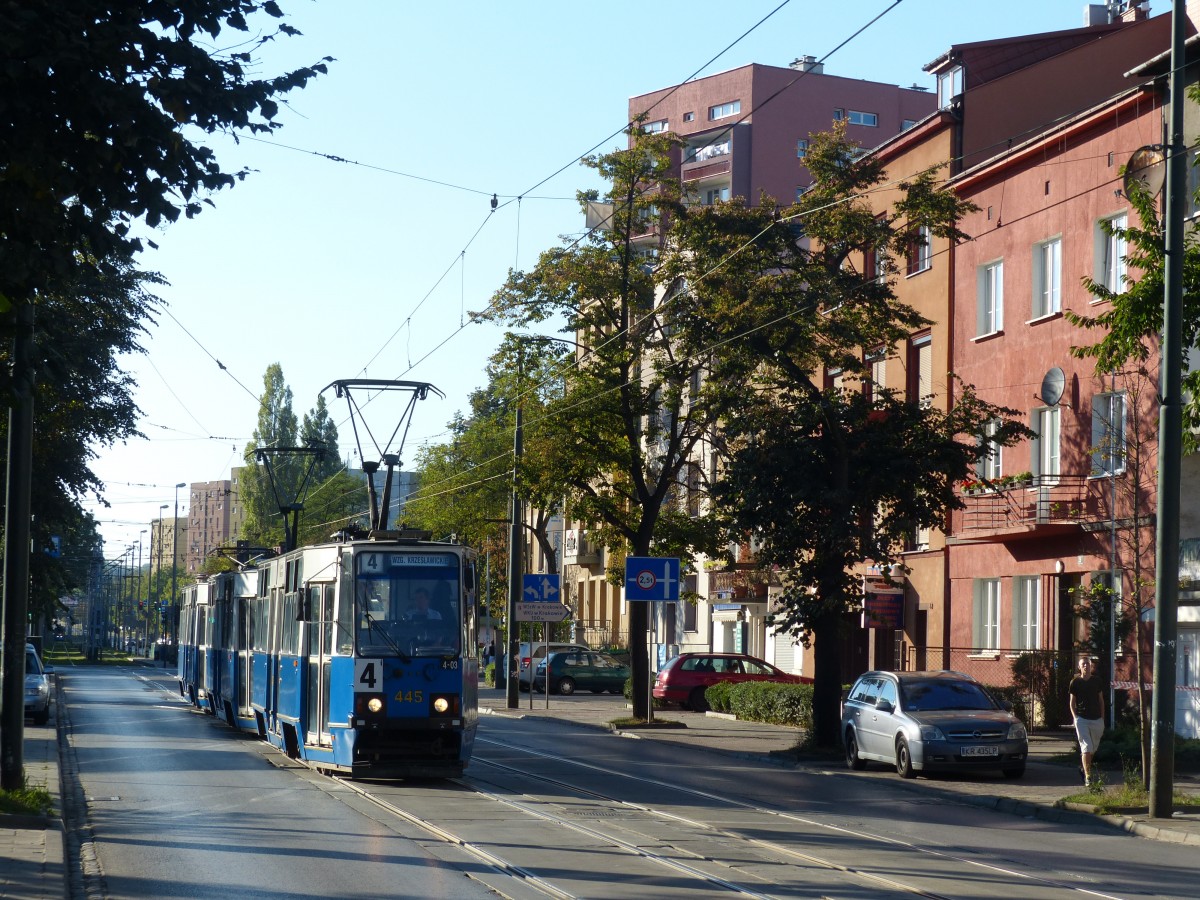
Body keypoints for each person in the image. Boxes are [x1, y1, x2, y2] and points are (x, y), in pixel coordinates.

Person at [1069, 656, 1106, 788]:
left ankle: (1083, 768)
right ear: (1079, 667)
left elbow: (1101, 700)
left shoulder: (1097, 681)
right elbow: (1072, 702)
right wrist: (1075, 718)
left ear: (1091, 666)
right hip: (1082, 719)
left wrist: (1102, 717)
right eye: (1083, 664)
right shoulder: (1075, 682)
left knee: (1093, 748)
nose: (1086, 666)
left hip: (1096, 719)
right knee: (1086, 747)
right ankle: (1088, 777)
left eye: (1088, 664)